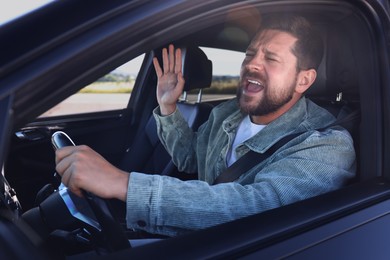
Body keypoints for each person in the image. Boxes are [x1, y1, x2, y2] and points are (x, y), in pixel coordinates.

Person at [55, 15, 356, 237]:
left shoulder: (326, 144)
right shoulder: (227, 114)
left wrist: (124, 184)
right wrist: (168, 106)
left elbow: (254, 208)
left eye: (271, 58)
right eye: (250, 54)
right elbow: (188, 158)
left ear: (304, 79)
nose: (252, 64)